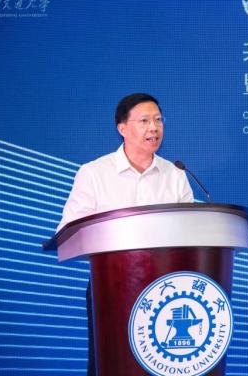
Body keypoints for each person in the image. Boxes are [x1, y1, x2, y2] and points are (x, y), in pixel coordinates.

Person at [56, 93, 194, 375]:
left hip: (167, 288)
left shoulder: (175, 174)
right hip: (111, 285)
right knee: (109, 362)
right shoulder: (94, 173)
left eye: (158, 120)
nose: (154, 128)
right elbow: (68, 232)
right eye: (144, 121)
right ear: (122, 128)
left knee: (165, 364)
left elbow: (192, 231)